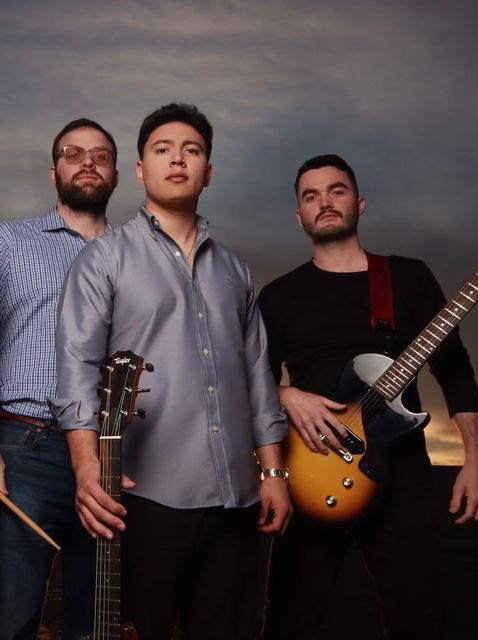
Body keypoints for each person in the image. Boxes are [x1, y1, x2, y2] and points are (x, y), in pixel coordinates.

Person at [50, 103, 292, 640]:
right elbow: (76, 370)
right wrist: (87, 469)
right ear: (140, 170)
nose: (177, 159)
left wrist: (274, 474)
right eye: (162, 150)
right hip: (146, 498)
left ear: (208, 171)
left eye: (192, 150)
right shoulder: (104, 259)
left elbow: (257, 379)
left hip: (238, 498)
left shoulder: (235, 271)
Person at [258, 154, 478, 639]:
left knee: (420, 616)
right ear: (299, 217)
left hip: (401, 475)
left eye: (337, 190)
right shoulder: (278, 296)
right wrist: (284, 394)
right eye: (311, 195)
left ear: (359, 203)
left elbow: (454, 369)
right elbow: (249, 379)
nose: (324, 202)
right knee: (290, 619)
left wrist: (476, 456)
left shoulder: (408, 278)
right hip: (311, 467)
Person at [0, 119, 118, 639]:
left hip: (114, 455)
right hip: (24, 446)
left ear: (117, 174)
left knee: (95, 621)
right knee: (12, 614)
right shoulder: (8, 243)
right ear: (54, 173)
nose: (87, 161)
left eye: (100, 154)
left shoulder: (139, 256)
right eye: (74, 153)